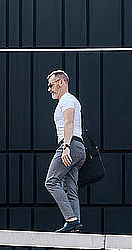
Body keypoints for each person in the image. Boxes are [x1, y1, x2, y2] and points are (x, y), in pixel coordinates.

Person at [45, 70, 86, 233]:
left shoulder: (67, 99)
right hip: (78, 147)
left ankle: (71, 219)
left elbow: (69, 122)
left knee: (52, 181)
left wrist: (66, 147)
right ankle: (75, 224)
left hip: (70, 145)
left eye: (51, 84)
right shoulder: (68, 100)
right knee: (70, 188)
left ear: (61, 82)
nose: (49, 89)